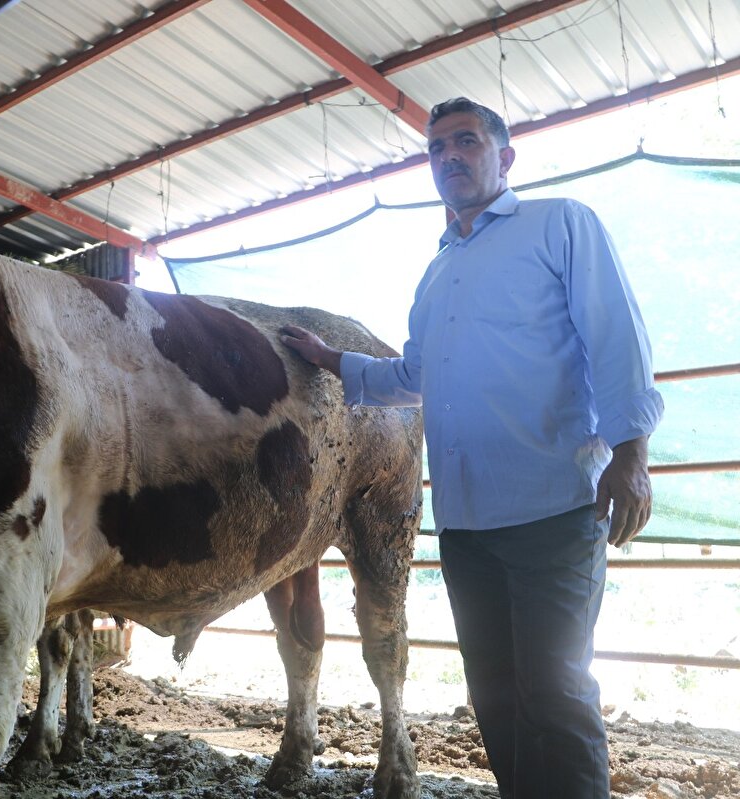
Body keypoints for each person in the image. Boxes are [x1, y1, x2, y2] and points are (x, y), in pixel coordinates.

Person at [280, 97, 663, 799]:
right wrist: (332, 359)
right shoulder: (435, 276)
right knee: (495, 695)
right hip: (466, 527)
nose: (449, 157)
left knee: (555, 689)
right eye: (436, 149)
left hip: (552, 508)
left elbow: (616, 336)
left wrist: (632, 452)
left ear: (504, 157)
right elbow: (413, 378)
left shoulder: (558, 225)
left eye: (466, 142)